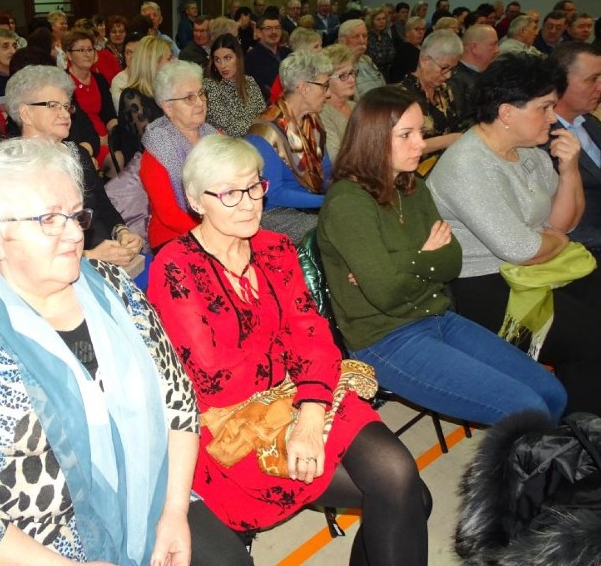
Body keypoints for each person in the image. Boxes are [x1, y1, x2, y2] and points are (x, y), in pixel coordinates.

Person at [0, 137, 240, 565]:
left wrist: (174, 512)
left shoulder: (112, 287)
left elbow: (179, 402)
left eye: (75, 215)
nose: (75, 233)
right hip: (33, 546)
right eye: (49, 219)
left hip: (151, 495)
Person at [147, 134, 431, 565]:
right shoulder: (176, 266)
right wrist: (289, 353)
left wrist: (312, 410)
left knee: (402, 481)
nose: (248, 203)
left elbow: (313, 333)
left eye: (254, 186)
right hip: (237, 429)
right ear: (196, 200)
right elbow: (219, 379)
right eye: (229, 193)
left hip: (307, 395)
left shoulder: (275, 248)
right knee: (405, 497)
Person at [316, 86, 567, 426]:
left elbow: (452, 261)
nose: (420, 143)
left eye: (420, 132)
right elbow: (386, 295)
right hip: (386, 340)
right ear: (372, 138)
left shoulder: (411, 186)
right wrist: (420, 258)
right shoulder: (349, 203)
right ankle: (526, 471)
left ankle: (538, 465)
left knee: (553, 393)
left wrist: (399, 263)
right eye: (406, 134)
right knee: (527, 408)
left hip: (437, 315)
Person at [428, 53, 601, 416]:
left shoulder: (527, 151)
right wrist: (556, 238)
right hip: (479, 288)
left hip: (533, 269)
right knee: (589, 341)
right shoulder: (468, 165)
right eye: (544, 108)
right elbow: (522, 248)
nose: (553, 117)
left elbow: (564, 222)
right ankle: (574, 446)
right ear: (507, 113)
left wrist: (569, 170)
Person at [5, 65, 144, 267]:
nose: (65, 114)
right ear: (25, 113)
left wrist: (122, 232)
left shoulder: (76, 153)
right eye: (53, 105)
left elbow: (103, 206)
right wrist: (89, 256)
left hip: (105, 256)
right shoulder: (11, 169)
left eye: (66, 106)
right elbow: (22, 251)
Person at [245, 52, 332, 242]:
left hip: (312, 205)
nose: (329, 93)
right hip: (276, 214)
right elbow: (273, 194)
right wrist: (325, 202)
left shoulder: (312, 122)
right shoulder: (264, 132)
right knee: (334, 229)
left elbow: (327, 172)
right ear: (304, 88)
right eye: (325, 86)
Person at [140, 60, 216, 250]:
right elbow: (169, 215)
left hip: (218, 225)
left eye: (201, 94)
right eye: (189, 98)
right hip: (174, 238)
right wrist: (214, 233)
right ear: (168, 107)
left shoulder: (213, 135)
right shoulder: (157, 151)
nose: (200, 103)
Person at [550, 43, 601, 254]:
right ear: (560, 82)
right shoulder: (543, 138)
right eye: (592, 80)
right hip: (585, 245)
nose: (600, 87)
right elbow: (553, 221)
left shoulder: (588, 122)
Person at [397, 30, 464, 165]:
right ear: (424, 61)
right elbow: (399, 148)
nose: (449, 75)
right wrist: (447, 140)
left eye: (453, 69)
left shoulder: (444, 90)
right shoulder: (400, 96)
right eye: (444, 68)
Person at [113, 35, 171, 168]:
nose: (174, 62)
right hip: (144, 167)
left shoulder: (163, 91)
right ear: (154, 63)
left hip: (165, 160)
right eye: (169, 59)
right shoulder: (131, 96)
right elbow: (150, 143)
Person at [64, 29, 117, 171]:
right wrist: (97, 140)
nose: (87, 54)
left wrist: (114, 134)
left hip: (105, 134)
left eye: (90, 49)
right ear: (69, 55)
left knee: (127, 150)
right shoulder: (63, 82)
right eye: (81, 50)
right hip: (82, 137)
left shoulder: (99, 79)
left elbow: (109, 114)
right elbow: (71, 120)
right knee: (115, 160)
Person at [203, 34, 265, 137]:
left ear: (238, 57)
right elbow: (233, 128)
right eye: (217, 59)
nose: (222, 65)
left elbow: (264, 117)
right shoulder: (210, 86)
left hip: (254, 142)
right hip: (226, 148)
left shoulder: (250, 82)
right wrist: (256, 125)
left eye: (228, 58)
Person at [319, 44, 357, 162]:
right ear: (326, 80)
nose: (352, 80)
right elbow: (336, 160)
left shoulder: (354, 106)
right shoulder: (322, 114)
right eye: (343, 76)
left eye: (352, 73)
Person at [388, 17, 425, 83]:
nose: (421, 32)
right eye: (417, 29)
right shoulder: (404, 50)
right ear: (407, 32)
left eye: (423, 29)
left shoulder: (424, 47)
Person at [366, 7, 395, 78]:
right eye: (378, 19)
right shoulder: (368, 36)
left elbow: (392, 54)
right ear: (371, 21)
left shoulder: (385, 35)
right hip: (371, 73)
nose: (382, 22)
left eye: (383, 19)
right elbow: (375, 58)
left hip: (387, 72)